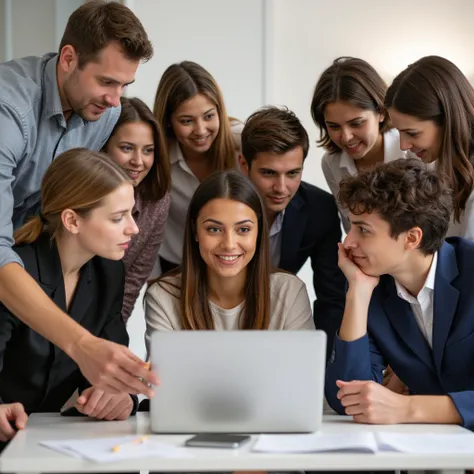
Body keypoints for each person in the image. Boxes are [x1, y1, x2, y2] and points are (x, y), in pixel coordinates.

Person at [0, 0, 157, 395]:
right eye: (106, 82)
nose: (115, 100)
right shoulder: (8, 113)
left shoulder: (101, 111)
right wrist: (80, 344)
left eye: (125, 86)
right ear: (68, 58)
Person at [0, 148, 140, 447]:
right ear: (72, 221)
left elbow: (111, 360)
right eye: (118, 218)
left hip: (57, 441)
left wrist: (121, 397)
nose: (134, 228)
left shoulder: (109, 272)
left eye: (132, 213)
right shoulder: (17, 273)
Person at [325, 158, 474, 431]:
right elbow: (344, 398)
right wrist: (358, 292)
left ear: (411, 238)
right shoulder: (370, 285)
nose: (348, 242)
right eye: (351, 226)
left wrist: (407, 407)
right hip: (427, 451)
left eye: (363, 230)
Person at [145, 170, 314, 351]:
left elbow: (300, 375)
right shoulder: (163, 296)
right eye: (214, 229)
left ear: (258, 233)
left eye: (243, 230)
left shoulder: (289, 292)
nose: (229, 245)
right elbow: (167, 377)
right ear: (195, 231)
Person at [239, 106, 345, 358]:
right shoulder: (218, 205)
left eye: (293, 173)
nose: (281, 187)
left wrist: (322, 362)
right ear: (244, 165)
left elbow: (331, 297)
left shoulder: (321, 209)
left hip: (280, 321)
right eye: (268, 173)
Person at [153, 61, 243, 273]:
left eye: (209, 116)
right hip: (175, 267)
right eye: (186, 121)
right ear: (168, 121)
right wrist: (153, 279)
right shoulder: (154, 156)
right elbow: (146, 223)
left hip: (231, 263)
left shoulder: (242, 143)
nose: (201, 130)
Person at [311, 57, 413, 232]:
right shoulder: (331, 163)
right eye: (333, 126)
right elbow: (352, 228)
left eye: (356, 123)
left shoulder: (412, 151)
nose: (346, 137)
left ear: (381, 112)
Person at [385, 55, 474, 240]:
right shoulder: (436, 166)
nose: (404, 145)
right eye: (399, 132)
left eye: (413, 133)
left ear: (448, 121)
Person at [103, 97, 171, 323]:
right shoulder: (82, 195)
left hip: (108, 316)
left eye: (148, 150)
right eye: (126, 148)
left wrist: (113, 336)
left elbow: (131, 283)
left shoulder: (157, 200)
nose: (138, 161)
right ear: (104, 144)